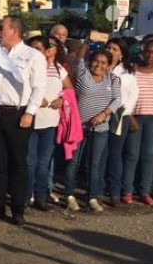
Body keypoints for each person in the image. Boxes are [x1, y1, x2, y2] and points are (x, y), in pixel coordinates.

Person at [0, 16, 47, 226]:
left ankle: (18, 209)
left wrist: (30, 112)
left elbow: (38, 87)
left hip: (19, 113)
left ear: (14, 31)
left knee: (18, 163)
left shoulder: (33, 56)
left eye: (3, 28)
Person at [63, 49, 121, 212]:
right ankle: (69, 193)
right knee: (74, 162)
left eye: (103, 62)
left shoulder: (112, 79)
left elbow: (117, 100)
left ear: (108, 65)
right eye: (96, 61)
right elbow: (80, 56)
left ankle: (92, 196)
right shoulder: (83, 74)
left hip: (101, 128)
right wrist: (87, 39)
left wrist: (104, 114)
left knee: (94, 164)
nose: (99, 65)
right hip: (79, 127)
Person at [122, 38, 153, 206]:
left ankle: (145, 190)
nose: (150, 55)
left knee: (150, 155)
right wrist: (130, 117)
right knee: (131, 154)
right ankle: (127, 190)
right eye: (147, 52)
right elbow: (125, 95)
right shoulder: (132, 70)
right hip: (135, 117)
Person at [26, 35, 70, 211]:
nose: (49, 49)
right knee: (29, 161)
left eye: (52, 46)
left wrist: (62, 99)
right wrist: (36, 99)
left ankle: (40, 196)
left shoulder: (59, 69)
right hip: (31, 120)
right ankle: (26, 195)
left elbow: (69, 89)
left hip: (50, 122)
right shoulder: (30, 67)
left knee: (44, 163)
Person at [104, 38, 138, 206]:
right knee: (99, 153)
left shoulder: (127, 73)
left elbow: (133, 95)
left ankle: (114, 191)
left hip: (119, 115)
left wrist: (127, 112)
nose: (110, 51)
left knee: (115, 153)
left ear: (122, 54)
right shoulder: (98, 66)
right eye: (108, 47)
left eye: (115, 49)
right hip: (100, 114)